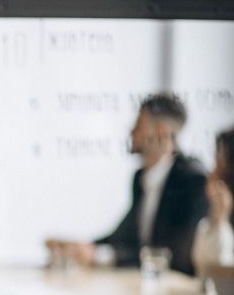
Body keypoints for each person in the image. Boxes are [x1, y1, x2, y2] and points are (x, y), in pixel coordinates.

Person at [48, 93, 209, 276]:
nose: (132, 133)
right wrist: (83, 247)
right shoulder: (140, 178)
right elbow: (124, 237)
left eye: (138, 126)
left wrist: (101, 256)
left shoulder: (193, 182)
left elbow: (170, 255)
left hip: (178, 294)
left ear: (161, 133)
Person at [192, 127, 234, 272]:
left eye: (219, 163)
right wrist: (219, 220)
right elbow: (206, 273)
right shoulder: (213, 213)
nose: (212, 173)